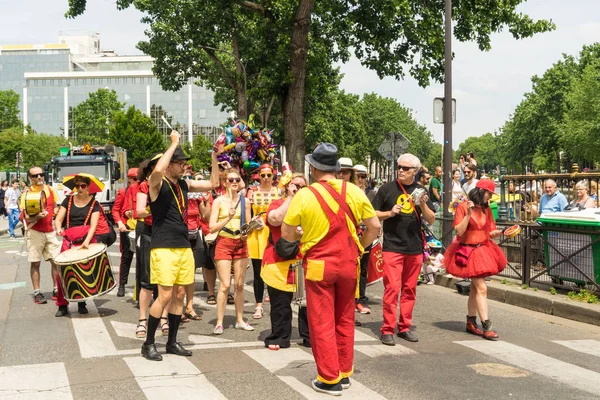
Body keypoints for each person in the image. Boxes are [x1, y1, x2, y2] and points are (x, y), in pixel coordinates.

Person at [278, 143, 380, 395]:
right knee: (345, 318)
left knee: (321, 321)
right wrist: (360, 248)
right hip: (349, 264)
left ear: (313, 168)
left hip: (319, 266)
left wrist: (300, 236)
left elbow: (287, 233)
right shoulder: (354, 191)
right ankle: (344, 372)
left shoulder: (305, 195)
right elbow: (375, 226)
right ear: (335, 168)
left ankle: (329, 378)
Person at [141, 130, 219, 361]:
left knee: (180, 296)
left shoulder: (183, 185)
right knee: (164, 296)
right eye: (180, 163)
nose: (184, 166)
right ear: (169, 164)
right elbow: (156, 170)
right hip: (163, 246)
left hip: (183, 245)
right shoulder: (156, 183)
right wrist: (173, 143)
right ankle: (148, 343)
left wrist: (215, 157)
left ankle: (172, 342)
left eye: (185, 163)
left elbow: (214, 183)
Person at [373, 153, 435, 346]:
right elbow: (372, 214)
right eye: (399, 167)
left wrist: (423, 204)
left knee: (409, 289)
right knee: (392, 289)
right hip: (393, 246)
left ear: (414, 171)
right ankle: (387, 329)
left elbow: (431, 218)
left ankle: (405, 327)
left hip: (414, 247)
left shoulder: (421, 190)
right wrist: (389, 213)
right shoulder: (386, 189)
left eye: (405, 168)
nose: (400, 170)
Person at [443, 179, 507, 340]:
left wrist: (503, 232)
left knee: (475, 289)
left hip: (483, 250)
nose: (490, 197)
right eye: (489, 194)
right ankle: (486, 325)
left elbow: (489, 231)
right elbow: (458, 231)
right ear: (480, 192)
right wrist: (468, 215)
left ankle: (471, 322)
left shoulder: (487, 209)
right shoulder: (463, 206)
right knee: (482, 288)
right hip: (467, 251)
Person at [261, 172, 308, 350]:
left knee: (308, 304)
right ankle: (280, 337)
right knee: (280, 304)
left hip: (303, 259)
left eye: (302, 186)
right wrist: (291, 197)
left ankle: (310, 337)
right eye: (294, 185)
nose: (298, 188)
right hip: (278, 260)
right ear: (287, 186)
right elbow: (275, 219)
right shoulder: (278, 203)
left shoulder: (309, 206)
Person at [209, 169, 253, 335]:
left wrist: (251, 229)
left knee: (239, 284)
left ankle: (240, 320)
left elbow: (247, 225)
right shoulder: (218, 202)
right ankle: (219, 322)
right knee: (225, 284)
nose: (234, 182)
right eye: (231, 179)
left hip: (240, 243)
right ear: (225, 182)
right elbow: (212, 227)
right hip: (224, 242)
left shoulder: (245, 201)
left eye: (237, 179)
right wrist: (227, 218)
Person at [53, 174, 103, 317]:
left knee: (83, 272)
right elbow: (59, 219)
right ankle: (62, 305)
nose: (80, 189)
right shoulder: (68, 200)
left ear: (88, 187)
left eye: (83, 186)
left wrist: (86, 242)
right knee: (62, 273)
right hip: (69, 239)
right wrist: (58, 228)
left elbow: (94, 225)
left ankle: (82, 302)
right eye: (78, 186)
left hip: (85, 240)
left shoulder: (94, 204)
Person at [21, 167, 60, 304]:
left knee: (56, 261)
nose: (39, 177)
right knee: (35, 262)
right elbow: (26, 217)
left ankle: (56, 289)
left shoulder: (50, 190)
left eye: (41, 175)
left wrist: (55, 213)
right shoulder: (26, 193)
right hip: (35, 231)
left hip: (50, 231)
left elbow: (55, 206)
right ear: (30, 178)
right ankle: (37, 292)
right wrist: (37, 216)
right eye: (35, 175)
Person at [246, 164, 281, 319]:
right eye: (263, 175)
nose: (266, 178)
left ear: (273, 176)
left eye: (269, 175)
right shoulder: (252, 192)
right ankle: (258, 305)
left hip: (273, 231)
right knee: (258, 271)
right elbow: (247, 213)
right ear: (258, 176)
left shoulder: (279, 191)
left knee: (274, 268)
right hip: (257, 232)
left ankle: (275, 301)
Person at [113, 168, 138, 297]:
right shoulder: (123, 192)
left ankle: (140, 285)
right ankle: (122, 285)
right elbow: (115, 210)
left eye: (137, 179)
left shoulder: (143, 190)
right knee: (126, 257)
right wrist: (120, 222)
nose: (135, 181)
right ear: (129, 179)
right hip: (127, 228)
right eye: (134, 179)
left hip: (140, 227)